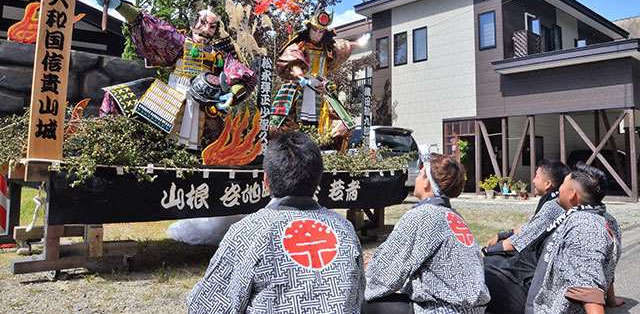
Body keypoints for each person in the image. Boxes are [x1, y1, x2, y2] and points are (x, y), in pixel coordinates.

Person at [187, 131, 365, 313]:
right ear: (318, 178)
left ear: (266, 180)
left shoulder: (249, 231)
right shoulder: (344, 229)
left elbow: (208, 306)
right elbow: (359, 296)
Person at [97, 0, 256, 149]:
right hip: (172, 95)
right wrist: (121, 6)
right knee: (124, 105)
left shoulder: (220, 56)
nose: (206, 29)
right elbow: (153, 28)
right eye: (203, 22)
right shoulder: (178, 42)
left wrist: (232, 95)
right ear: (193, 23)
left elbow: (243, 74)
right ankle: (110, 143)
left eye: (212, 26)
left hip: (205, 103)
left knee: (214, 141)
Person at [363, 152, 490, 314]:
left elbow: (387, 271)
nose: (416, 178)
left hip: (442, 309)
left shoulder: (423, 215)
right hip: (471, 309)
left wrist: (363, 282)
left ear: (427, 183)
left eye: (421, 173)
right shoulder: (453, 215)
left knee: (364, 303)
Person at [525, 162, 622, 314]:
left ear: (572, 194)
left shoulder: (584, 224)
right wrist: (611, 299)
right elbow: (602, 265)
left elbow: (588, 290)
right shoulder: (606, 218)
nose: (559, 189)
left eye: (563, 184)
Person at [482, 160, 569, 313]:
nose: (533, 180)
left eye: (536, 176)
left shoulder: (553, 205)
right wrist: (503, 234)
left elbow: (517, 243)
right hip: (540, 264)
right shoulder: (552, 200)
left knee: (487, 265)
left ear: (548, 183)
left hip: (533, 270)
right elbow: (529, 228)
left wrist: (484, 251)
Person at [270, 8, 356, 148]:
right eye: (314, 30)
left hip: (321, 90)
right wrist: (300, 76)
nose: (317, 34)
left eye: (321, 31)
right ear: (309, 28)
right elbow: (292, 60)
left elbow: (345, 46)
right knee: (279, 125)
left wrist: (359, 43)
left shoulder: (328, 48)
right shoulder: (299, 45)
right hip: (298, 88)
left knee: (344, 124)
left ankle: (327, 151)